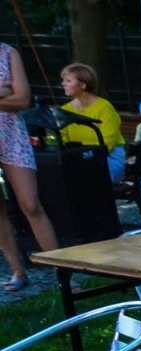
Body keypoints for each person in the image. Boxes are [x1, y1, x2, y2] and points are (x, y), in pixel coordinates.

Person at [0, 38, 59, 291]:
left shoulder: (7, 52)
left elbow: (23, 99)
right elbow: (12, 98)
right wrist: (3, 93)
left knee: (31, 204)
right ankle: (18, 271)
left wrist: (12, 95)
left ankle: (62, 270)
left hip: (11, 135)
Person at [58, 63, 126, 182]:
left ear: (83, 85)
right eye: (63, 80)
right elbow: (62, 139)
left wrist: (85, 157)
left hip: (107, 157)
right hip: (77, 160)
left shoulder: (104, 107)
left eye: (68, 81)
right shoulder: (64, 110)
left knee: (82, 177)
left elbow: (108, 142)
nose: (63, 84)